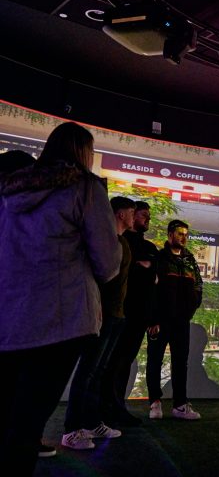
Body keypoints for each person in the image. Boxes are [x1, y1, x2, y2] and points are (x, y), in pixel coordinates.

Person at [0, 123, 121, 475]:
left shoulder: (8, 191)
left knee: (6, 418)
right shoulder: (85, 188)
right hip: (61, 320)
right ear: (85, 152)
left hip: (9, 318)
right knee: (29, 423)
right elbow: (108, 263)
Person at [62, 196, 135, 450]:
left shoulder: (123, 242)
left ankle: (92, 422)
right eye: (131, 211)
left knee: (99, 371)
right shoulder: (105, 242)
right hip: (100, 315)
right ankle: (72, 429)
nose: (135, 216)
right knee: (88, 371)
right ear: (120, 214)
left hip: (117, 316)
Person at [103, 201, 159, 427]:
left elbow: (155, 277)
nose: (147, 218)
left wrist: (147, 269)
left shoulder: (150, 248)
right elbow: (131, 275)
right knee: (113, 363)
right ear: (131, 215)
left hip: (139, 316)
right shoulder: (120, 241)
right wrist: (144, 270)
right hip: (120, 313)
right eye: (143, 214)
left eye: (148, 215)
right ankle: (107, 408)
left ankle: (117, 407)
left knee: (124, 363)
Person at [146, 219, 203, 420]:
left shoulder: (190, 260)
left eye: (186, 234)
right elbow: (151, 290)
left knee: (181, 362)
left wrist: (190, 310)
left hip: (182, 321)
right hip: (160, 321)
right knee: (154, 360)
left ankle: (180, 404)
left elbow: (198, 286)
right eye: (180, 233)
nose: (183, 237)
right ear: (170, 235)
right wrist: (152, 319)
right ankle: (155, 402)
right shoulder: (159, 258)